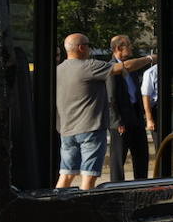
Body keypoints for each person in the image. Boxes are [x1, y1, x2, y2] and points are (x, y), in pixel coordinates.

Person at [55, 33, 155, 191]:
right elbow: (124, 68)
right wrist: (150, 59)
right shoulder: (89, 66)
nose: (90, 49)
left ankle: (56, 206)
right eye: (89, 45)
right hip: (90, 130)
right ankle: (86, 209)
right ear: (81, 48)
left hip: (66, 131)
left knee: (66, 175)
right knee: (89, 176)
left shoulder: (58, 70)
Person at [108, 35, 151, 181]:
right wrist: (117, 121)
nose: (132, 48)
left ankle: (141, 185)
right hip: (121, 120)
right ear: (119, 48)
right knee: (118, 159)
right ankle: (116, 188)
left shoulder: (132, 66)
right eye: (129, 45)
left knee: (141, 155)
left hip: (136, 116)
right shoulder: (111, 68)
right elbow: (110, 98)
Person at [140, 60, 160, 149]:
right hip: (157, 110)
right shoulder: (151, 72)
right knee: (159, 143)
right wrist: (149, 119)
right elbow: (145, 96)